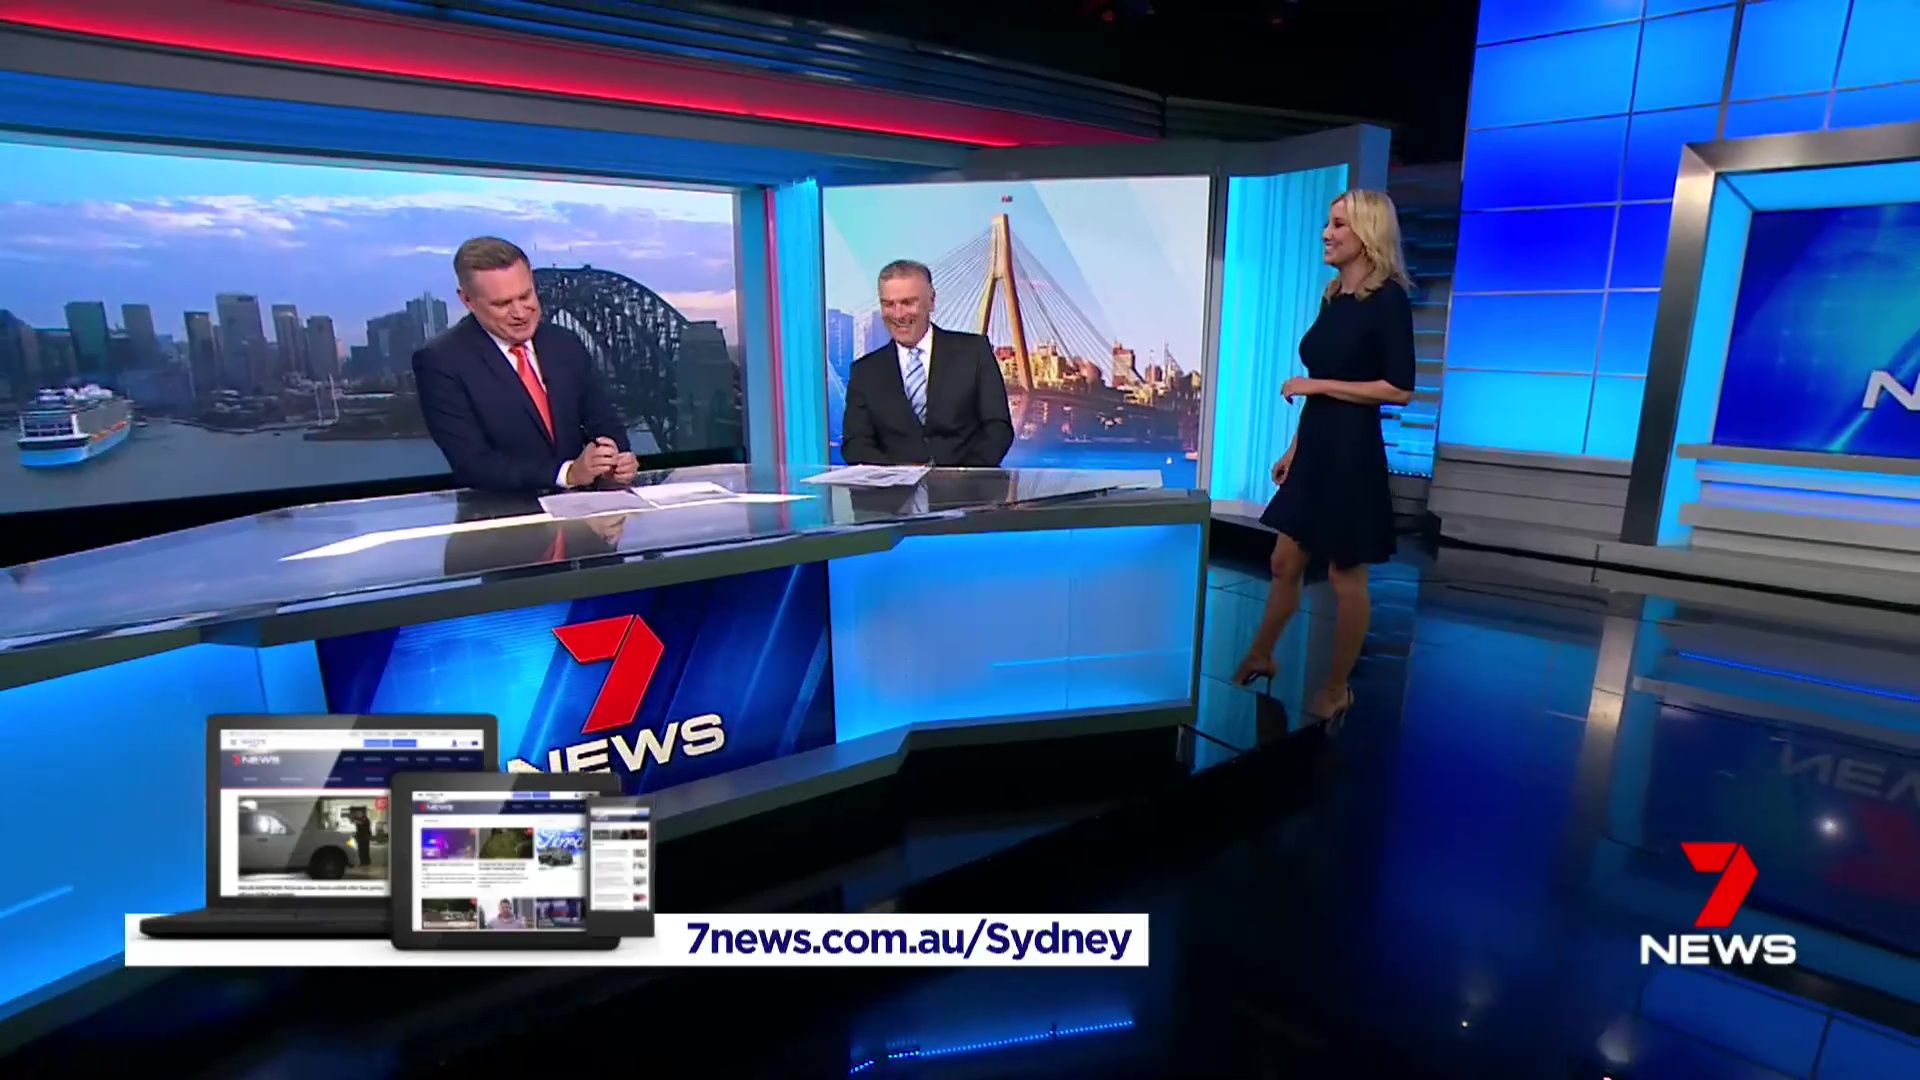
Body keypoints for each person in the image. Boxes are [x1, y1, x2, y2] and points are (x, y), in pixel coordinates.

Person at [1232, 189, 1417, 725]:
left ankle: (1337, 687)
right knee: (1283, 562)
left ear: (1367, 233)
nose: (1326, 234)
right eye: (1327, 223)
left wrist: (1317, 385)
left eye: (1338, 225)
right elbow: (1321, 386)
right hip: (1315, 445)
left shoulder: (1389, 300)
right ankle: (1261, 655)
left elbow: (1399, 388)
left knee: (1344, 574)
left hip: (1352, 453)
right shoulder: (1333, 295)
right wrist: (1294, 448)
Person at [413, 236, 639, 493]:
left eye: (526, 295)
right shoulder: (441, 360)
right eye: (502, 304)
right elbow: (473, 464)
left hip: (584, 511)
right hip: (503, 513)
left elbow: (604, 423)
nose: (520, 313)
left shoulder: (564, 343)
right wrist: (567, 473)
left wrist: (618, 460)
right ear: (467, 300)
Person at [841, 259, 1014, 467]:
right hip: (894, 486)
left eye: (907, 303)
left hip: (968, 483)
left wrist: (962, 475)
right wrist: (898, 475)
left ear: (931, 301)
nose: (898, 314)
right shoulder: (865, 371)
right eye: (888, 304)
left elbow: (998, 428)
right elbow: (856, 444)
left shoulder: (974, 352)